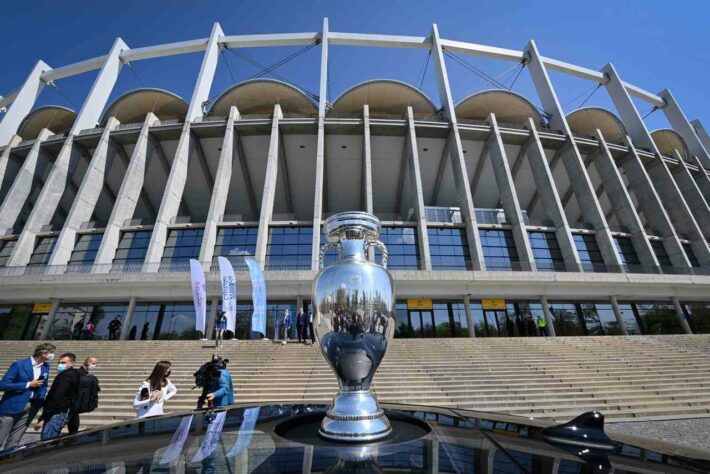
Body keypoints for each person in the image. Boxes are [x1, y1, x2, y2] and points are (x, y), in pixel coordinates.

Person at [0, 343, 54, 450]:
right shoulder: (19, 364)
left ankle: (8, 462)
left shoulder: (45, 367)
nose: (52, 355)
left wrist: (39, 401)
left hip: (31, 407)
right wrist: (28, 384)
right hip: (12, 406)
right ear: (43, 353)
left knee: (15, 440)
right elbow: (3, 384)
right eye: (51, 353)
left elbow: (44, 385)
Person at [35, 352, 81, 441]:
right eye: (59, 363)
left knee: (47, 440)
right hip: (62, 411)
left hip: (56, 413)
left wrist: (44, 416)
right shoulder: (73, 374)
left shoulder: (65, 376)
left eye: (63, 363)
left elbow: (57, 397)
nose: (60, 365)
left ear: (72, 363)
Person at [66, 356, 100, 434]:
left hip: (75, 406)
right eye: (93, 363)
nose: (94, 366)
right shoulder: (78, 374)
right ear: (87, 363)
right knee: (71, 424)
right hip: (72, 405)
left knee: (74, 424)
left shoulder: (86, 374)